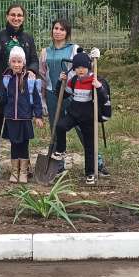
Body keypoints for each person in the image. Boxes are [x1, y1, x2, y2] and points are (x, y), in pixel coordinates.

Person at [0, 4, 40, 177]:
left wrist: (32, 70)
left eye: (19, 15)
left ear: (23, 18)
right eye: (13, 15)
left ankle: (24, 165)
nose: (16, 18)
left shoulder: (28, 39)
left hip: (21, 93)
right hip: (2, 89)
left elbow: (34, 60)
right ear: (7, 16)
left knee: (22, 129)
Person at [0, 46, 44, 183]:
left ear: (24, 63)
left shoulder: (30, 79)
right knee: (14, 145)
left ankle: (23, 171)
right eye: (14, 61)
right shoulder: (6, 79)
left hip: (25, 118)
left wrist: (38, 116)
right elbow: (3, 99)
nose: (16, 64)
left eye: (19, 61)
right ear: (10, 63)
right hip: (11, 118)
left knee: (24, 145)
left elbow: (36, 99)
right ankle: (14, 171)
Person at [51, 52, 108, 185]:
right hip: (73, 114)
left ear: (88, 67)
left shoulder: (94, 81)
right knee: (60, 126)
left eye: (83, 67)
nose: (80, 70)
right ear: (74, 69)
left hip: (88, 118)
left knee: (89, 146)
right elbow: (63, 95)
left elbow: (104, 98)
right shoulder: (74, 80)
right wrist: (61, 81)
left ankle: (90, 173)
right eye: (77, 67)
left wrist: (99, 87)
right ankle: (61, 150)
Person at [38, 19, 79, 126]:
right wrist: (42, 98)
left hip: (70, 92)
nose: (58, 31)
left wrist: (92, 59)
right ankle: (56, 143)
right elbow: (42, 75)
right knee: (55, 124)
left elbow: (86, 68)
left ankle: (89, 143)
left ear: (67, 33)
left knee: (79, 122)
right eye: (56, 28)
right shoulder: (45, 52)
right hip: (51, 93)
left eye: (62, 29)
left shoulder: (74, 49)